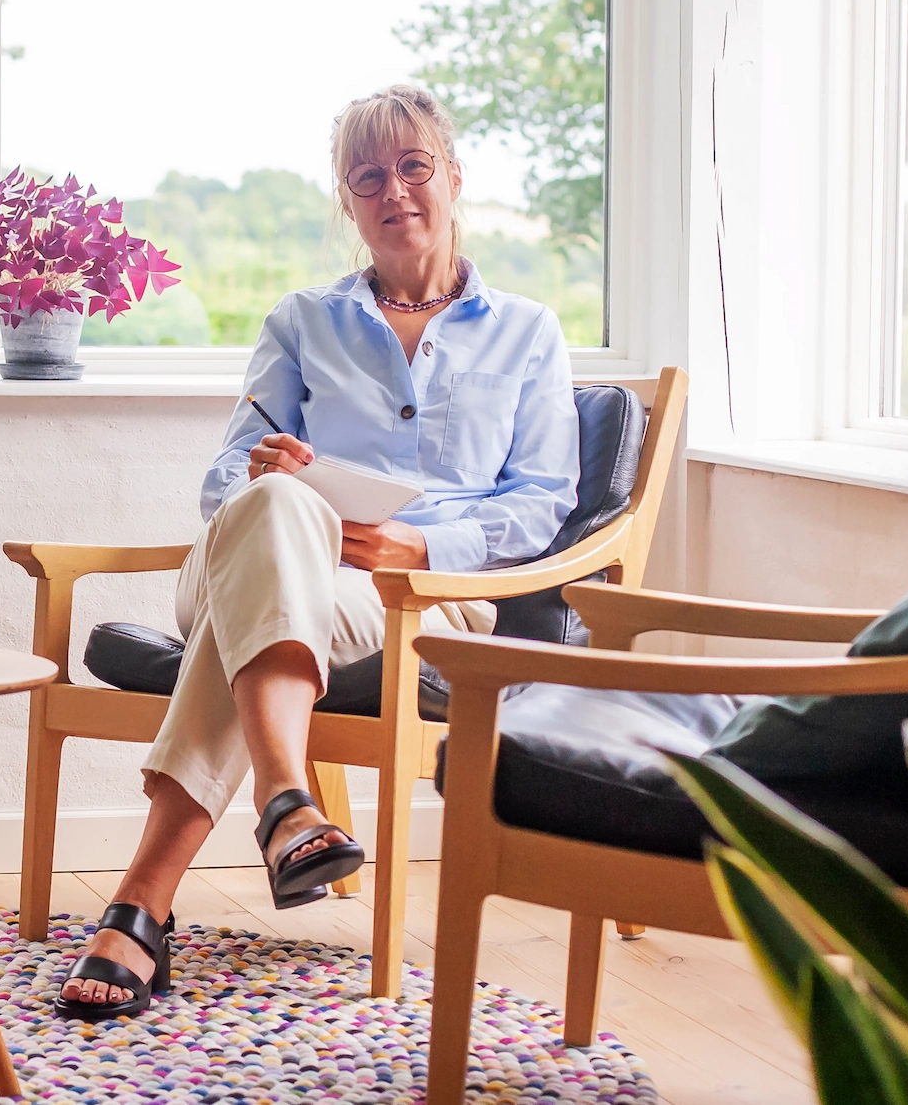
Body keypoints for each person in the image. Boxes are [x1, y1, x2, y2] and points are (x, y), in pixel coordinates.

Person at [52, 85, 582, 1021]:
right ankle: (287, 797)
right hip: (252, 562)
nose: (395, 190)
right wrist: (269, 475)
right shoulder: (302, 321)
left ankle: (148, 900)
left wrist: (418, 537)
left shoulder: (529, 331)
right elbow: (222, 485)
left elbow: (544, 501)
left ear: (454, 177)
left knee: (249, 610)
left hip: (419, 594)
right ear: (348, 201)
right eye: (367, 175)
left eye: (414, 166)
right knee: (277, 502)